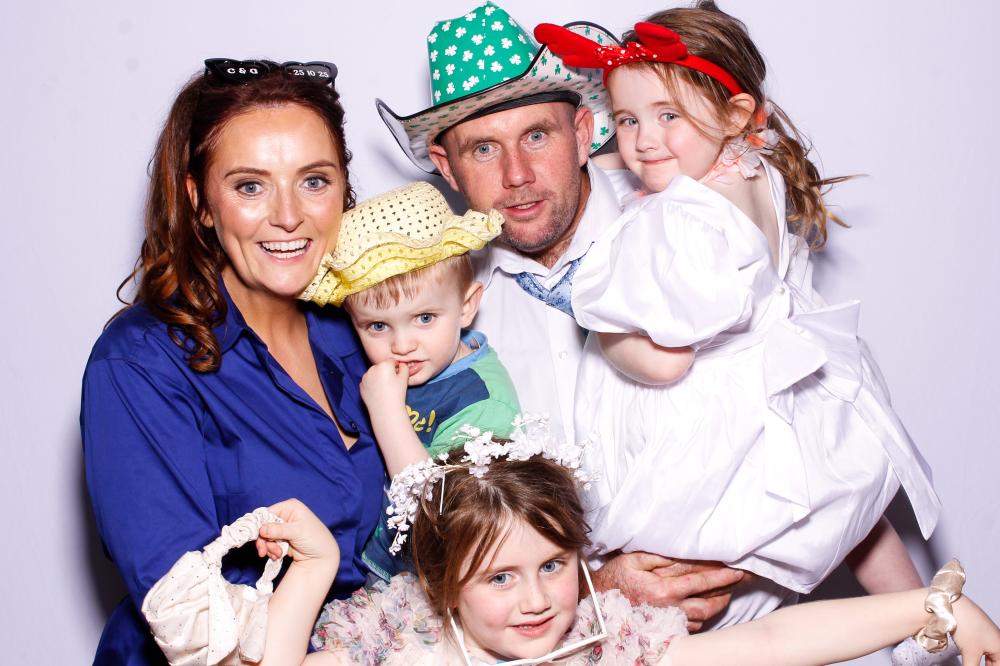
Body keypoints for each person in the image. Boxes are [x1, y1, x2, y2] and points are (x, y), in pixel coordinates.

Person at [530, 1, 942, 625]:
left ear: (734, 114)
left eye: (668, 116)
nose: (643, 141)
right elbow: (646, 157)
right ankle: (922, 619)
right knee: (848, 502)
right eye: (627, 119)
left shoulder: (686, 220)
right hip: (792, 389)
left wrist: (604, 330)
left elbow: (666, 364)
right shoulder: (755, 170)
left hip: (710, 424)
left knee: (672, 566)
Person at [375, 1, 740, 628]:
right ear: (447, 167)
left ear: (583, 131)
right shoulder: (437, 315)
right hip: (553, 639)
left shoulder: (693, 220)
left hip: (751, 623)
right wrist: (594, 591)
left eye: (537, 136)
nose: (517, 175)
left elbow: (804, 416)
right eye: (483, 148)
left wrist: (743, 561)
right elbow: (453, 525)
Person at [243, 419, 999, 665]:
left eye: (553, 565)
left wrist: (933, 606)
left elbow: (769, 642)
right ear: (442, 584)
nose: (537, 600)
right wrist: (316, 568)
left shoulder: (608, 638)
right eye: (499, 578)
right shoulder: (396, 633)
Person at [81, 59, 384, 664]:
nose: (288, 215)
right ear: (200, 203)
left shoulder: (364, 330)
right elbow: (197, 635)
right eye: (250, 186)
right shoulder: (140, 365)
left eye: (314, 181)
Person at [299, 180, 520, 580]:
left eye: (424, 318)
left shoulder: (483, 401)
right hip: (372, 565)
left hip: (433, 583)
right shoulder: (390, 365)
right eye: (377, 326)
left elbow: (438, 512)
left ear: (467, 306)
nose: (402, 345)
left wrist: (386, 411)